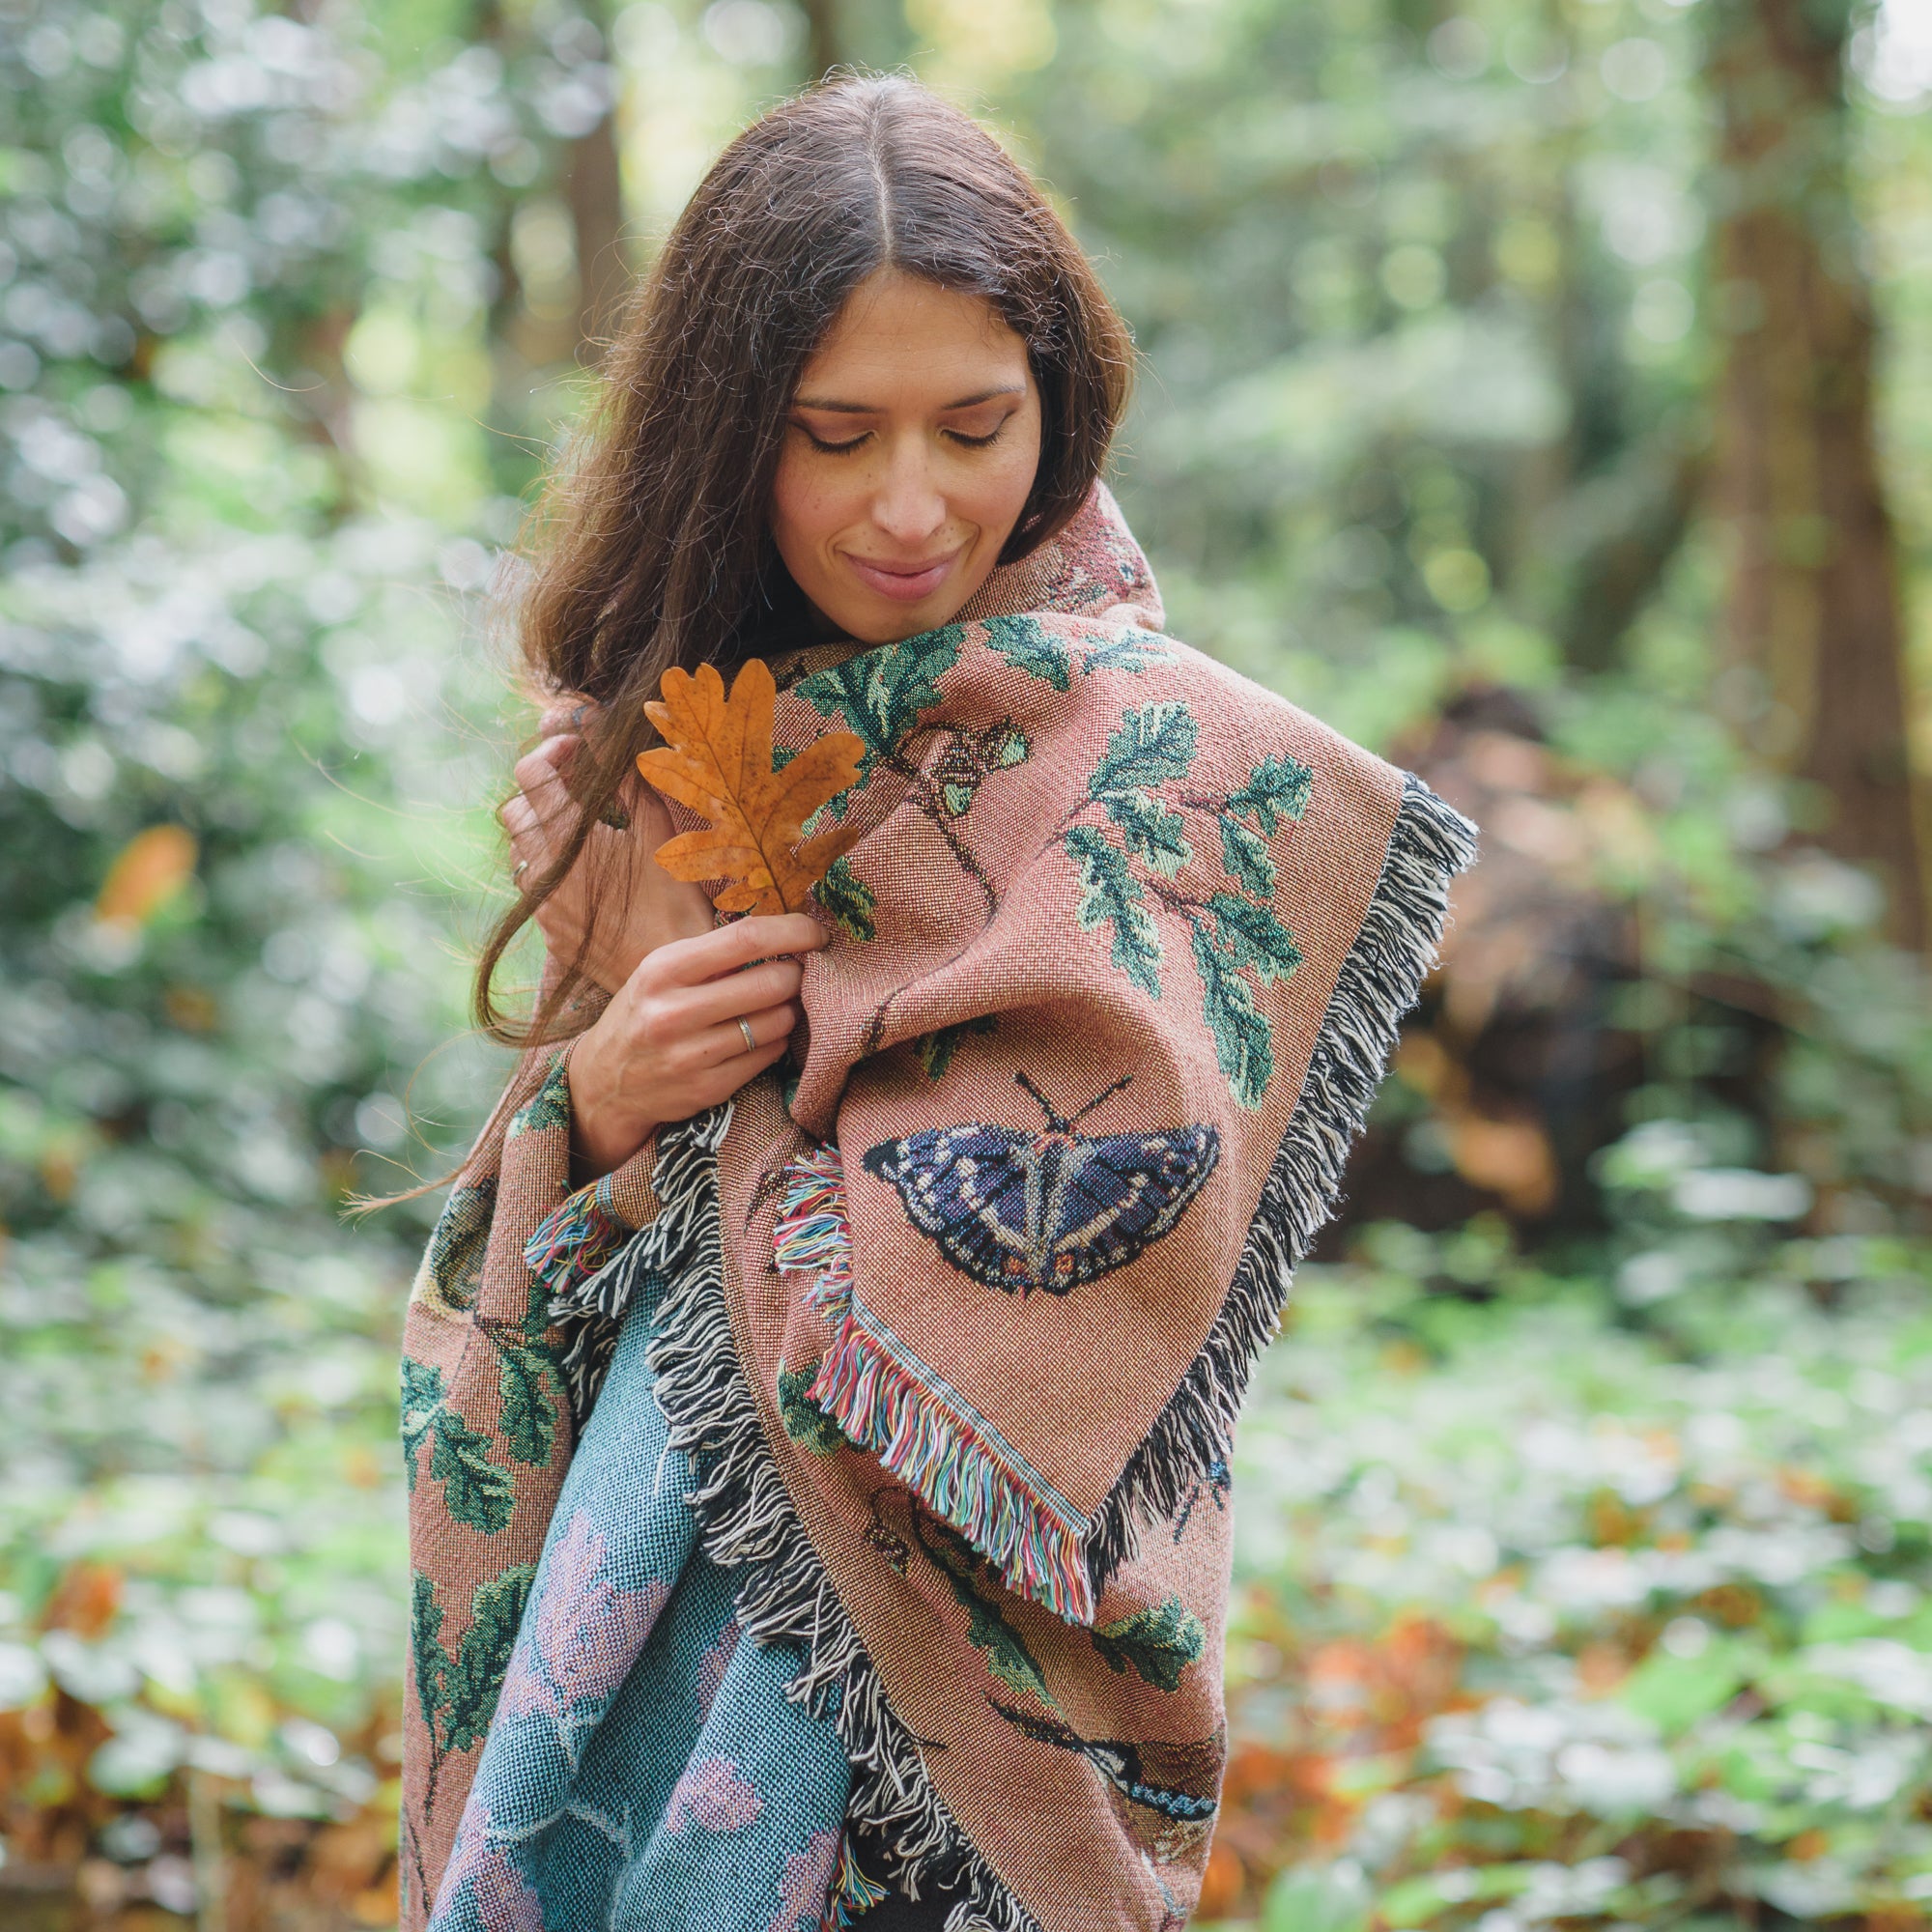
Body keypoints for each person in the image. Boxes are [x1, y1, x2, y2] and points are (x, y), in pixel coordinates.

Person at [401, 74, 1476, 1932]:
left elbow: (1083, 1274)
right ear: (728, 436)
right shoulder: (641, 739)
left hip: (972, 1717)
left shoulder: (1155, 754)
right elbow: (539, 1259)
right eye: (835, 436)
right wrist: (600, 1084)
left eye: (976, 426)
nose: (913, 507)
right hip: (622, 1621)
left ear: (1059, 414)